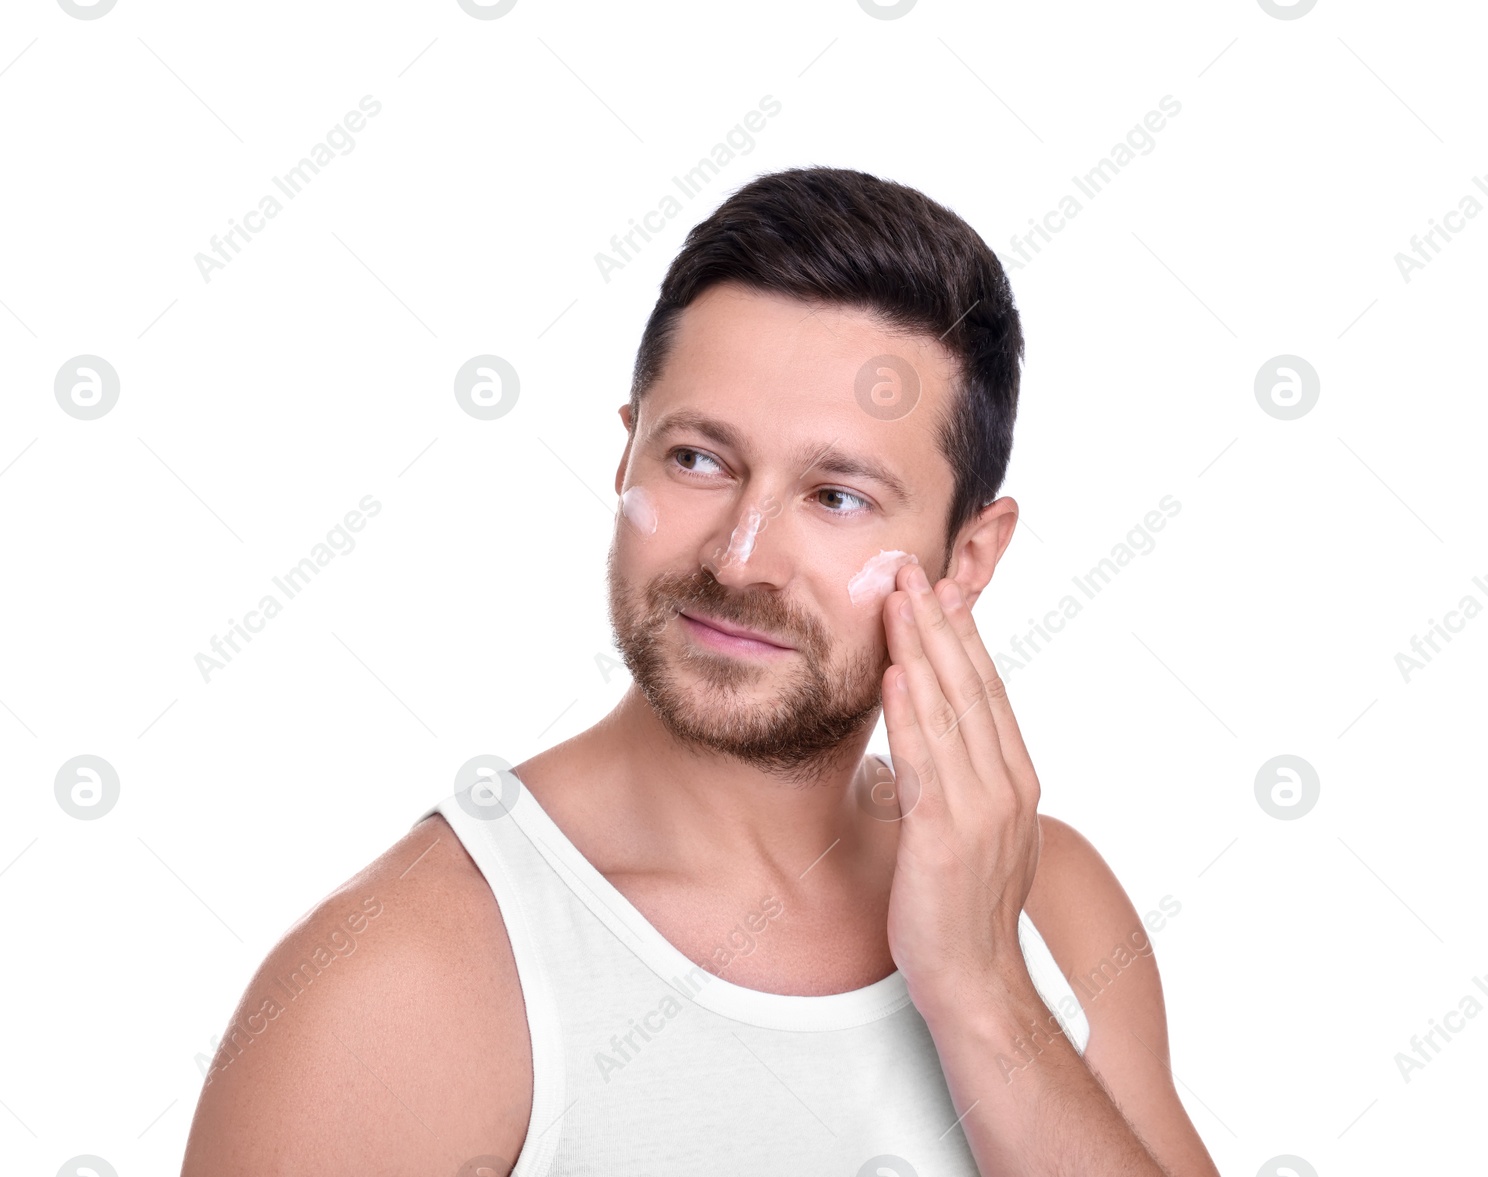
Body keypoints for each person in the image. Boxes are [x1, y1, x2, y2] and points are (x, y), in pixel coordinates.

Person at [181, 166, 1221, 1176]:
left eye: (836, 496)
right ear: (625, 457)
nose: (738, 556)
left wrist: (984, 989)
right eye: (698, 461)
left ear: (970, 556)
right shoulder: (405, 982)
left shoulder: (1051, 911)